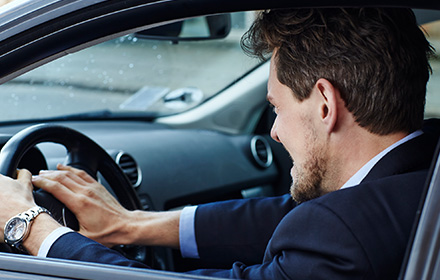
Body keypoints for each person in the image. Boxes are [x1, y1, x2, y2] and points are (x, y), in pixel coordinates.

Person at [0, 7, 436, 279]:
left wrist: (30, 225)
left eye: (277, 108)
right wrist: (133, 224)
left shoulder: (343, 237)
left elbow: (323, 228)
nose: (274, 131)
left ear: (324, 104)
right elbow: (297, 218)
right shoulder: (422, 173)